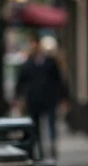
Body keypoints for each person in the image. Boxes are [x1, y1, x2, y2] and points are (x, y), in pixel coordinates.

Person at [12, 31, 70, 159]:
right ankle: (39, 150)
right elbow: (21, 81)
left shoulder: (50, 62)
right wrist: (18, 97)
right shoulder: (27, 64)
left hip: (49, 98)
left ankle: (52, 146)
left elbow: (58, 80)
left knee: (51, 124)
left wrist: (64, 97)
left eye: (34, 44)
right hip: (33, 100)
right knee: (35, 126)